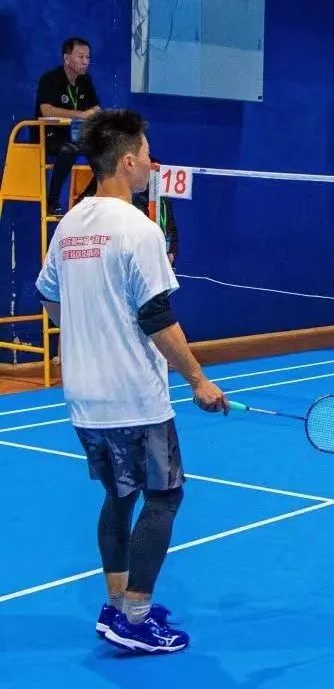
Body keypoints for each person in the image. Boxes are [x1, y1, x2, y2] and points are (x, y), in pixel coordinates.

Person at [35, 109, 227, 653]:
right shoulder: (139, 230)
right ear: (125, 161)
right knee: (165, 497)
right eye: (145, 153)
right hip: (134, 399)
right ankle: (136, 618)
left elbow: (49, 298)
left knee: (119, 496)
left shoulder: (70, 224)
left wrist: (89, 329)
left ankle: (117, 602)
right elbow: (157, 317)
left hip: (84, 397)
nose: (150, 163)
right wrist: (198, 380)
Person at [35, 38, 101, 214]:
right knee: (69, 150)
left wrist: (90, 114)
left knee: (106, 151)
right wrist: (80, 115)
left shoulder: (85, 81)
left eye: (88, 57)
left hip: (77, 135)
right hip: (50, 136)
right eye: (81, 57)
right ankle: (52, 200)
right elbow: (47, 111)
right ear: (66, 58)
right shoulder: (49, 79)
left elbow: (96, 109)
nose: (86, 61)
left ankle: (85, 198)